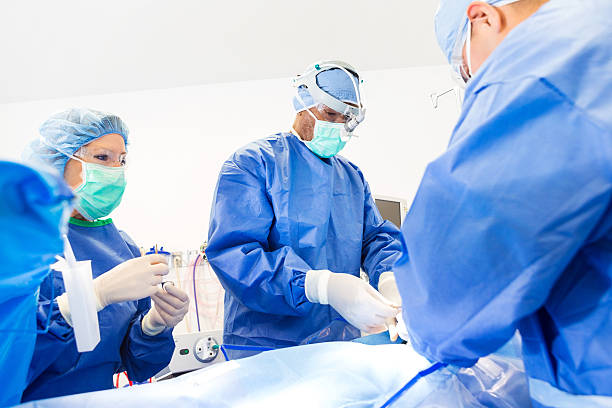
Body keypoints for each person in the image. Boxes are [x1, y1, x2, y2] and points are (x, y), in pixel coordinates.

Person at [394, 0, 612, 406]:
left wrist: (419, 318)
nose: (474, 81)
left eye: (466, 69)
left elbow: (466, 256)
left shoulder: (548, 58)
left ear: (483, 17)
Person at [206, 61, 403, 358]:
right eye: (330, 114)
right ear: (303, 104)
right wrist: (321, 286)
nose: (338, 125)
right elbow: (236, 255)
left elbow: (375, 239)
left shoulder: (351, 177)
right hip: (264, 348)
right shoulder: (252, 163)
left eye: (346, 119)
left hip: (337, 344)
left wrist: (390, 278)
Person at [21, 108, 190, 402]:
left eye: (122, 160)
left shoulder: (119, 245)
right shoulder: (17, 240)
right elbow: (10, 352)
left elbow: (137, 367)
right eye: (102, 158)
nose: (115, 170)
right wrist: (89, 298)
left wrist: (153, 326)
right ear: (57, 162)